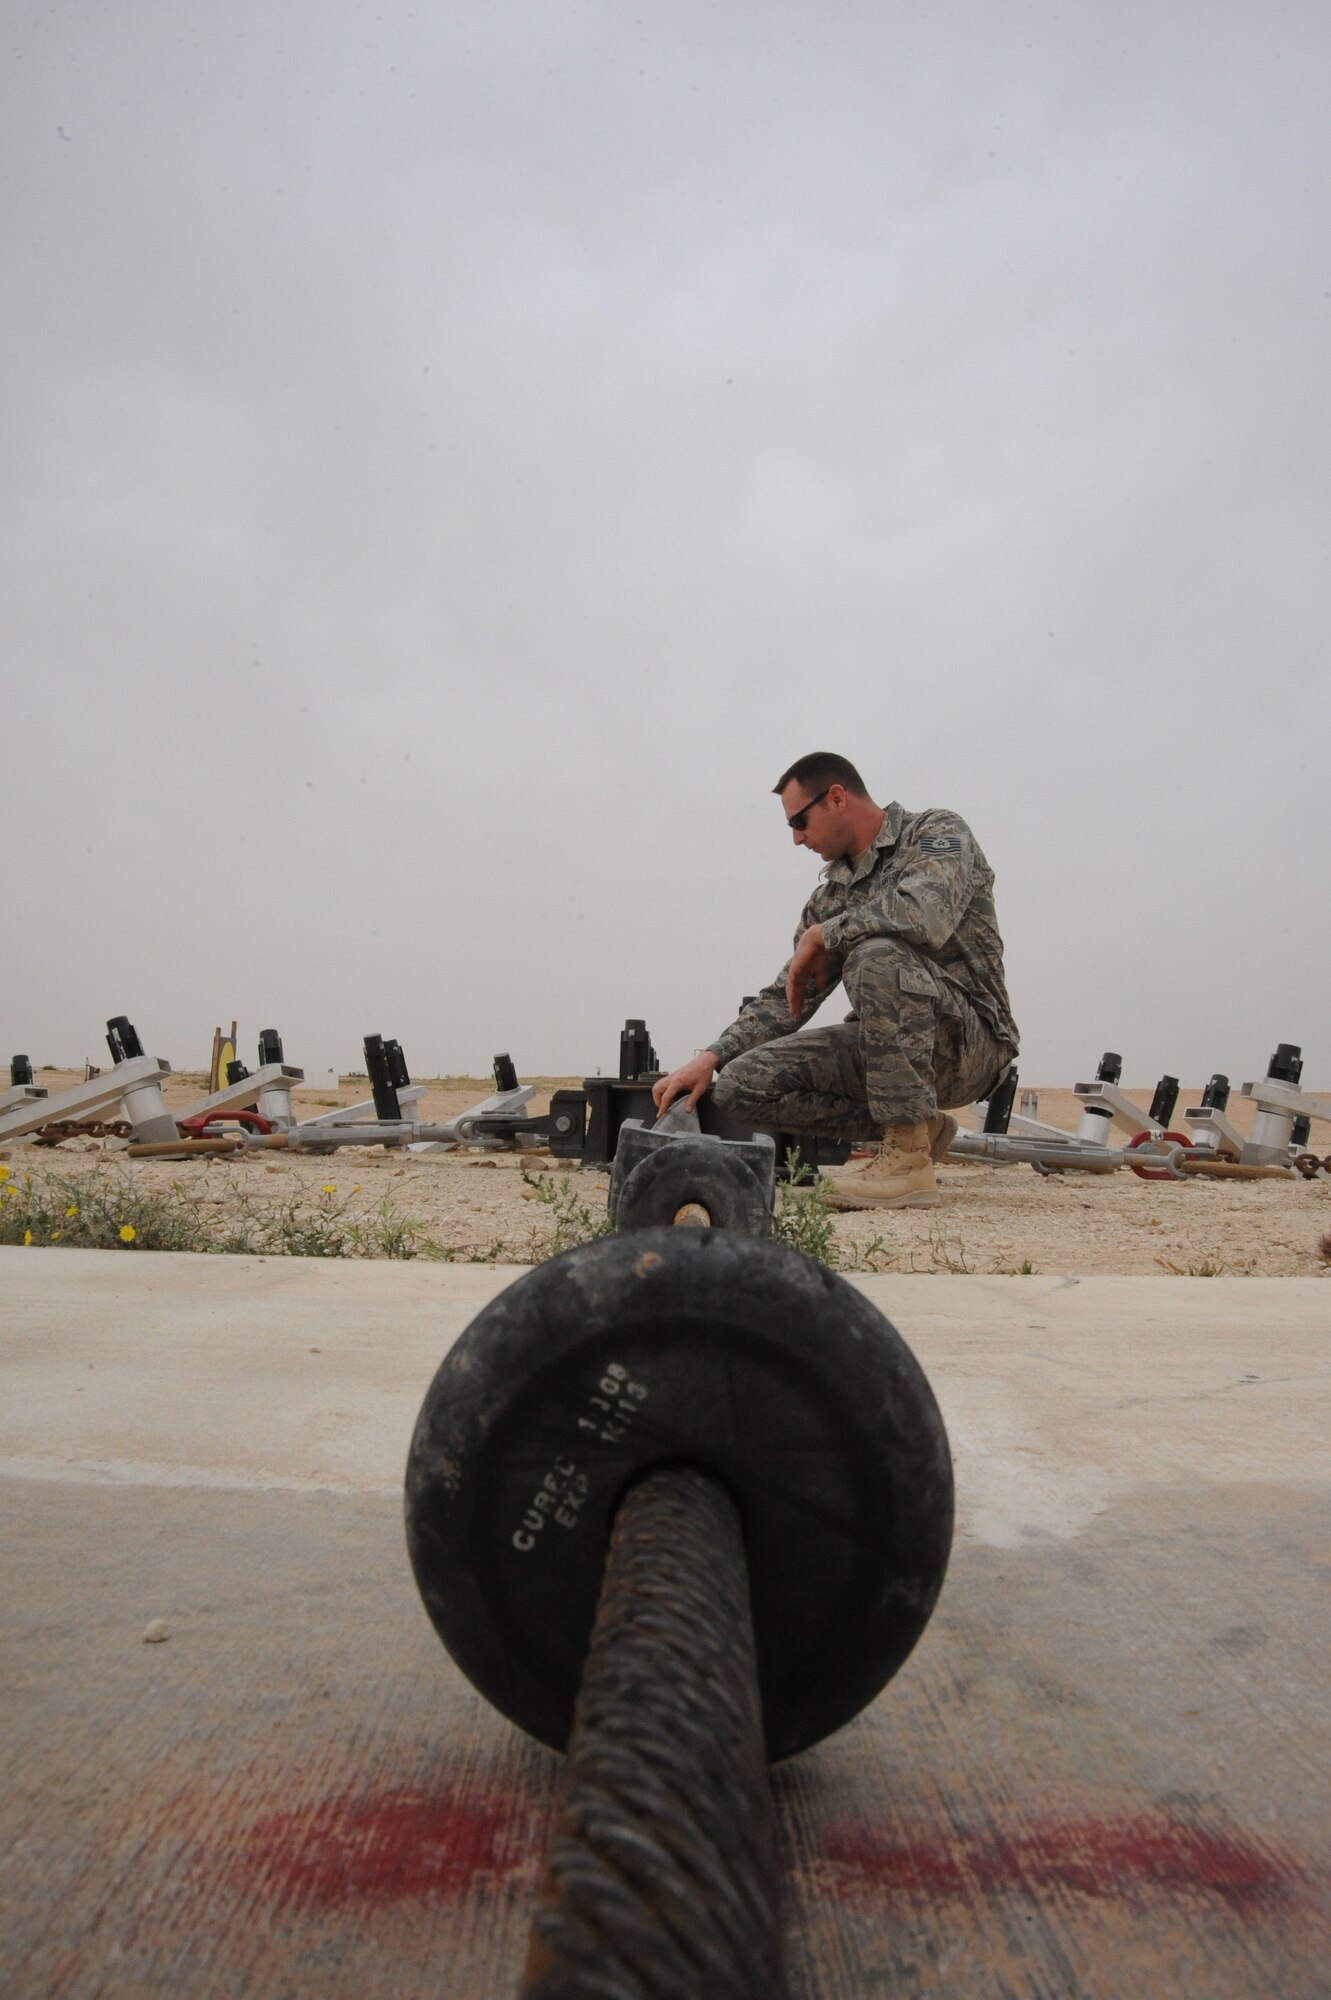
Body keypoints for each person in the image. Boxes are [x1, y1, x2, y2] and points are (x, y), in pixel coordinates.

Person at [652, 752, 1019, 1209]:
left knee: (876, 955)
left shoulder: (936, 832)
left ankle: (907, 1164)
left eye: (800, 821)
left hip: (970, 1045)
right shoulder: (830, 897)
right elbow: (788, 999)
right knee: (742, 1085)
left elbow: (926, 915)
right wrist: (712, 1056)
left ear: (838, 798)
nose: (796, 838)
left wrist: (828, 933)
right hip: (890, 1053)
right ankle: (917, 1127)